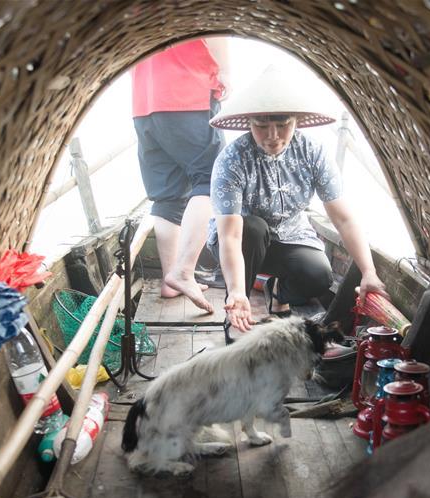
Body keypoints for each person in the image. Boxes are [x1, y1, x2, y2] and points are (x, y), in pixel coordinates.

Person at [207, 65, 389, 334]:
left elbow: (343, 218)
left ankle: (278, 292)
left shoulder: (312, 153)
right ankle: (238, 306)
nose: (273, 136)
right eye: (262, 126)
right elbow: (231, 236)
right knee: (254, 228)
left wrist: (368, 271)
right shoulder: (233, 159)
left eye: (283, 125)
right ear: (248, 123)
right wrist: (235, 291)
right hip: (244, 243)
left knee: (318, 275)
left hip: (292, 237)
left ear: (297, 122)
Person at [131, 38, 230, 313]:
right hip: (188, 92)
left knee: (168, 197)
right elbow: (215, 27)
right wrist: (227, 73)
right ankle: (184, 272)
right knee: (212, 181)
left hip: (144, 104)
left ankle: (170, 280)